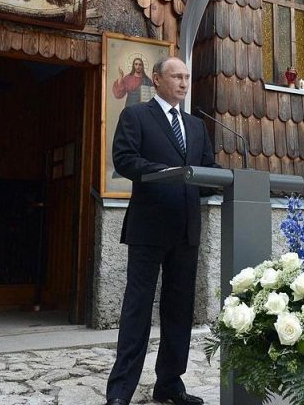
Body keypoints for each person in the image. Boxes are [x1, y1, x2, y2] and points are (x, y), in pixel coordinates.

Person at [105, 57, 218, 405]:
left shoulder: (197, 126)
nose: (184, 82)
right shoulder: (136, 116)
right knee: (137, 308)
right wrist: (166, 171)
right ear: (156, 79)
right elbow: (124, 159)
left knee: (179, 309)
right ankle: (121, 390)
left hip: (185, 229)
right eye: (176, 76)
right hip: (148, 227)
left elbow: (208, 171)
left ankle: (170, 383)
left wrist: (228, 182)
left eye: (187, 76)